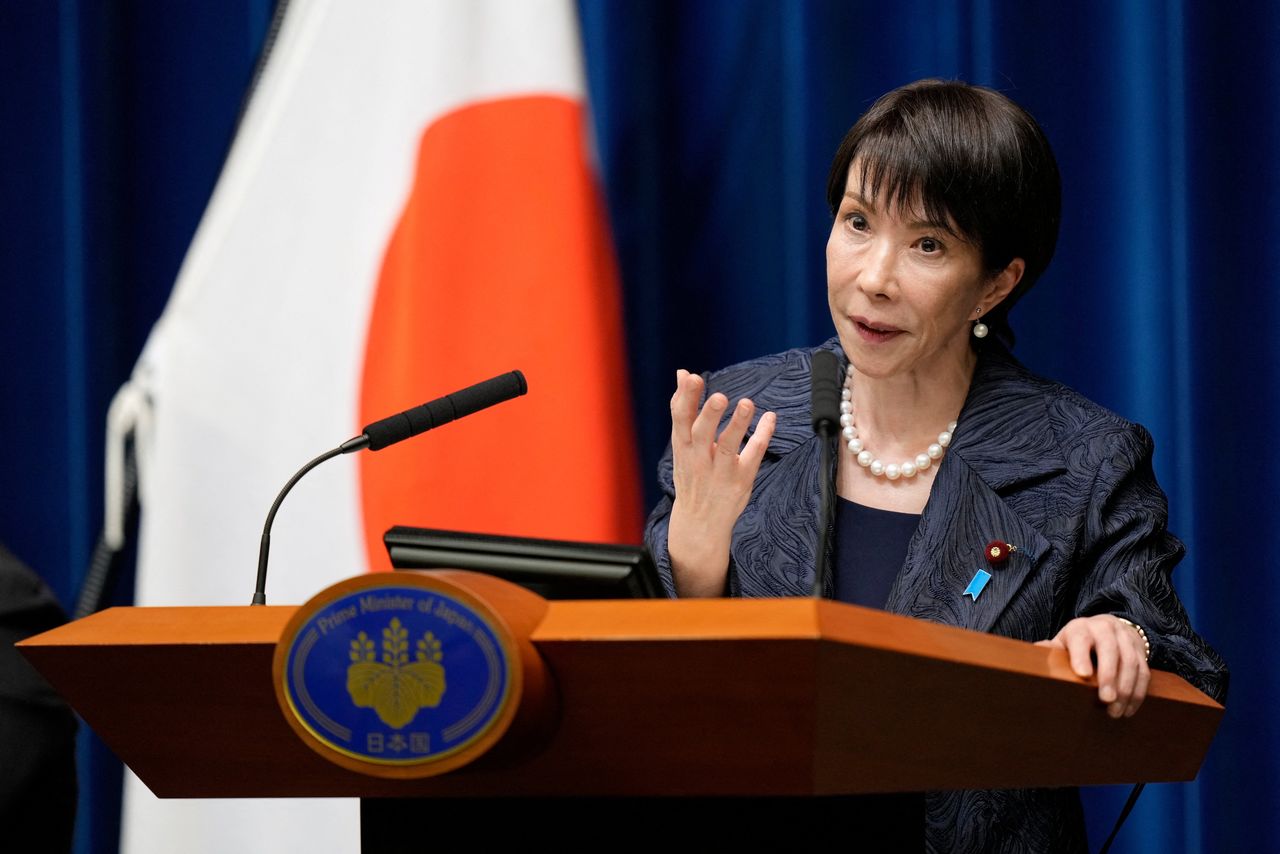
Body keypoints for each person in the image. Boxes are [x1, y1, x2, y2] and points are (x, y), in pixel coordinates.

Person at [643, 79, 1228, 851]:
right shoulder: (740, 414)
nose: (874, 277)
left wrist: (1124, 638)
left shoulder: (1081, 457)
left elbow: (1182, 666)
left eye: (928, 245)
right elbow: (645, 693)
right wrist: (694, 563)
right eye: (857, 223)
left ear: (996, 283)